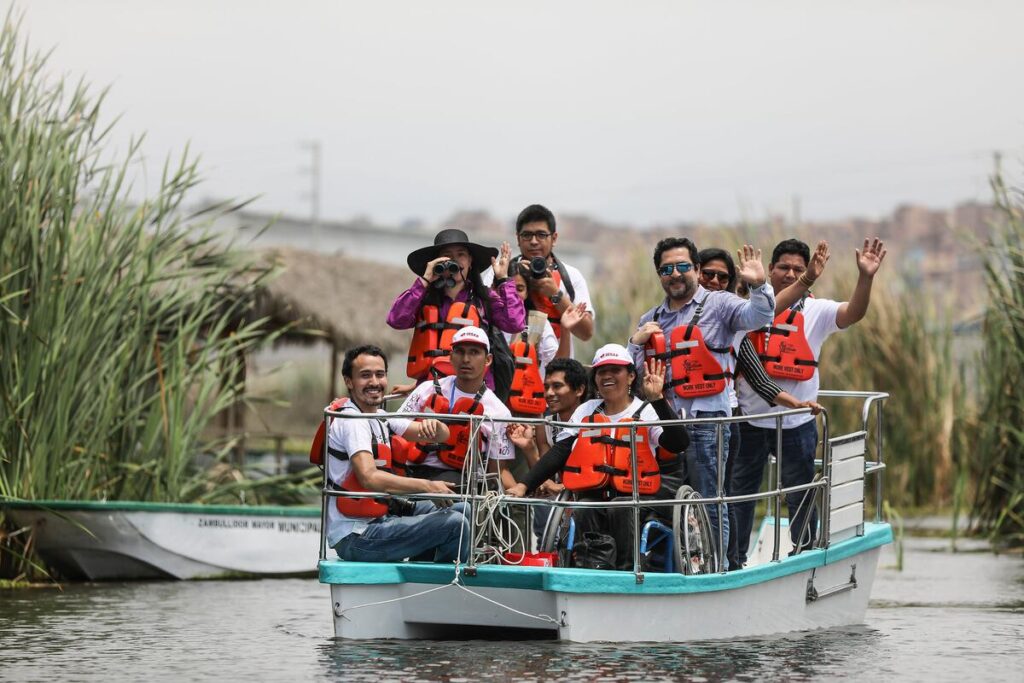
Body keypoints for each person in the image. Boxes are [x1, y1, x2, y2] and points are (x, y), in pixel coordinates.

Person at [731, 237, 886, 566]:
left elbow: (853, 312)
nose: (790, 273)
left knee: (800, 490)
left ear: (809, 272)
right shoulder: (749, 309)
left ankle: (804, 554)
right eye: (783, 267)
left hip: (797, 422)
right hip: (749, 420)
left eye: (798, 269)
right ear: (769, 270)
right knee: (741, 494)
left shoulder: (817, 310)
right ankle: (734, 561)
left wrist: (866, 277)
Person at [625, 238, 776, 569]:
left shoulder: (720, 305)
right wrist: (635, 343)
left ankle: (716, 569)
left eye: (682, 267)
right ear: (659, 275)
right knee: (663, 502)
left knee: (710, 499)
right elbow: (632, 375)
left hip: (708, 422)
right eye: (666, 269)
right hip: (664, 426)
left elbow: (760, 316)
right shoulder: (650, 318)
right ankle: (669, 565)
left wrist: (760, 285)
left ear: (694, 269)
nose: (675, 274)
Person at [507, 345, 690, 571]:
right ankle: (590, 568)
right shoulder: (586, 411)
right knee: (584, 507)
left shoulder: (648, 410)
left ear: (631, 376)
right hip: (596, 493)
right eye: (601, 372)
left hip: (639, 496)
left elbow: (678, 444)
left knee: (621, 507)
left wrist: (658, 400)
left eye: (615, 370)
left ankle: (626, 571)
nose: (607, 376)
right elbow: (560, 451)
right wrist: (524, 485)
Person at [698, 246, 824, 569]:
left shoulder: (733, 320)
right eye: (707, 274)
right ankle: (716, 559)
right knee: (723, 496)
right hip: (684, 425)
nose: (713, 281)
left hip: (727, 420)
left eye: (722, 277)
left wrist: (806, 278)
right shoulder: (672, 316)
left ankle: (734, 561)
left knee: (733, 494)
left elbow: (757, 371)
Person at [325, 345, 471, 564]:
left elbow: (442, 436)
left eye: (380, 374)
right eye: (365, 376)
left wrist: (435, 426)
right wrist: (428, 486)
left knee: (462, 507)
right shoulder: (353, 422)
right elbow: (369, 477)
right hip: (357, 536)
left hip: (380, 518)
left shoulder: (381, 416)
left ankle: (424, 570)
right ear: (349, 382)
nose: (374, 382)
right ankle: (439, 582)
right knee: (455, 523)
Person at [388, 228, 525, 393]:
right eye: (447, 255)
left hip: (475, 392)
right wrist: (425, 280)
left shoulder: (484, 299)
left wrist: (503, 279)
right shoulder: (423, 298)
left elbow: (515, 323)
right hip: (431, 390)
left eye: (461, 254)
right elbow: (395, 319)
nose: (455, 260)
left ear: (470, 261)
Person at [397, 326, 518, 492]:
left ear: (488, 360)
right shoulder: (426, 389)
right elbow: (393, 425)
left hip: (460, 479)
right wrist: (418, 428)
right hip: (410, 470)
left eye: (474, 352)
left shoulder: (498, 412)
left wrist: (523, 490)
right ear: (451, 357)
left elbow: (498, 469)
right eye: (460, 352)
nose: (466, 359)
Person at [486, 204, 595, 358]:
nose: (534, 241)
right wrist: (507, 283)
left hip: (555, 375)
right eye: (527, 235)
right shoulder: (500, 272)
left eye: (541, 235)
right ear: (518, 238)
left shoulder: (571, 276)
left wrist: (555, 295)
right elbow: (483, 316)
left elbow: (586, 333)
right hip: (507, 371)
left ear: (554, 238)